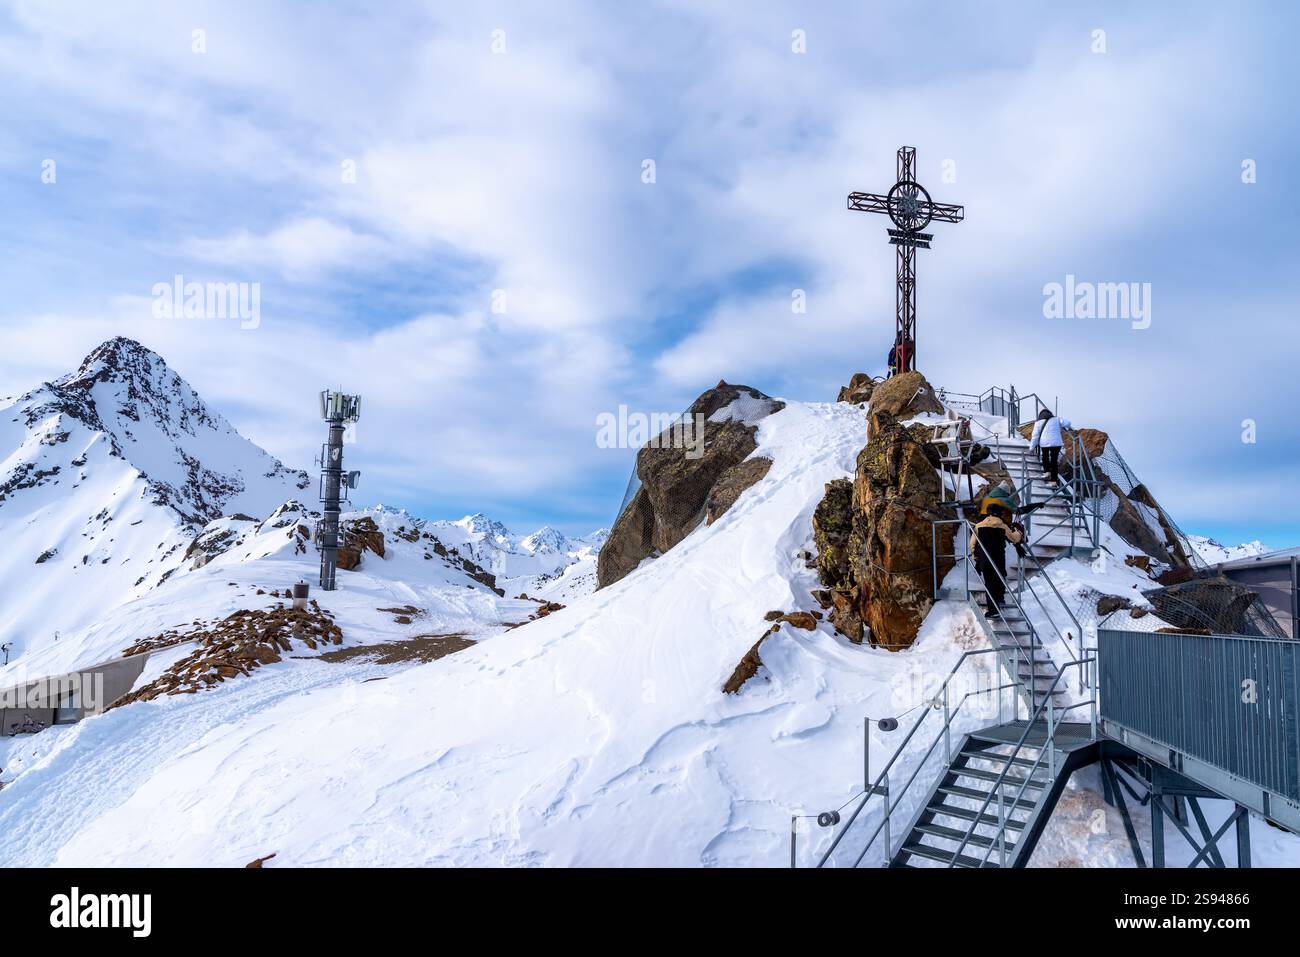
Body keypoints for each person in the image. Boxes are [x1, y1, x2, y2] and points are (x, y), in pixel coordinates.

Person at [970, 501, 1024, 618]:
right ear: (999, 514)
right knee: (1000, 578)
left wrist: (977, 559)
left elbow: (973, 545)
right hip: (998, 559)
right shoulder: (1003, 527)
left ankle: (993, 609)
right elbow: (1014, 539)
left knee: (989, 583)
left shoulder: (978, 526)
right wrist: (1019, 531)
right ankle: (999, 600)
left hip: (985, 560)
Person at [1028, 407, 1073, 487]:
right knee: (1054, 461)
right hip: (1056, 443)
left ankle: (1047, 472)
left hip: (1044, 443)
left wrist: (1031, 447)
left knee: (1045, 457)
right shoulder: (1057, 419)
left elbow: (1035, 436)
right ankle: (1053, 481)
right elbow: (1068, 423)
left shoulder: (1038, 423)